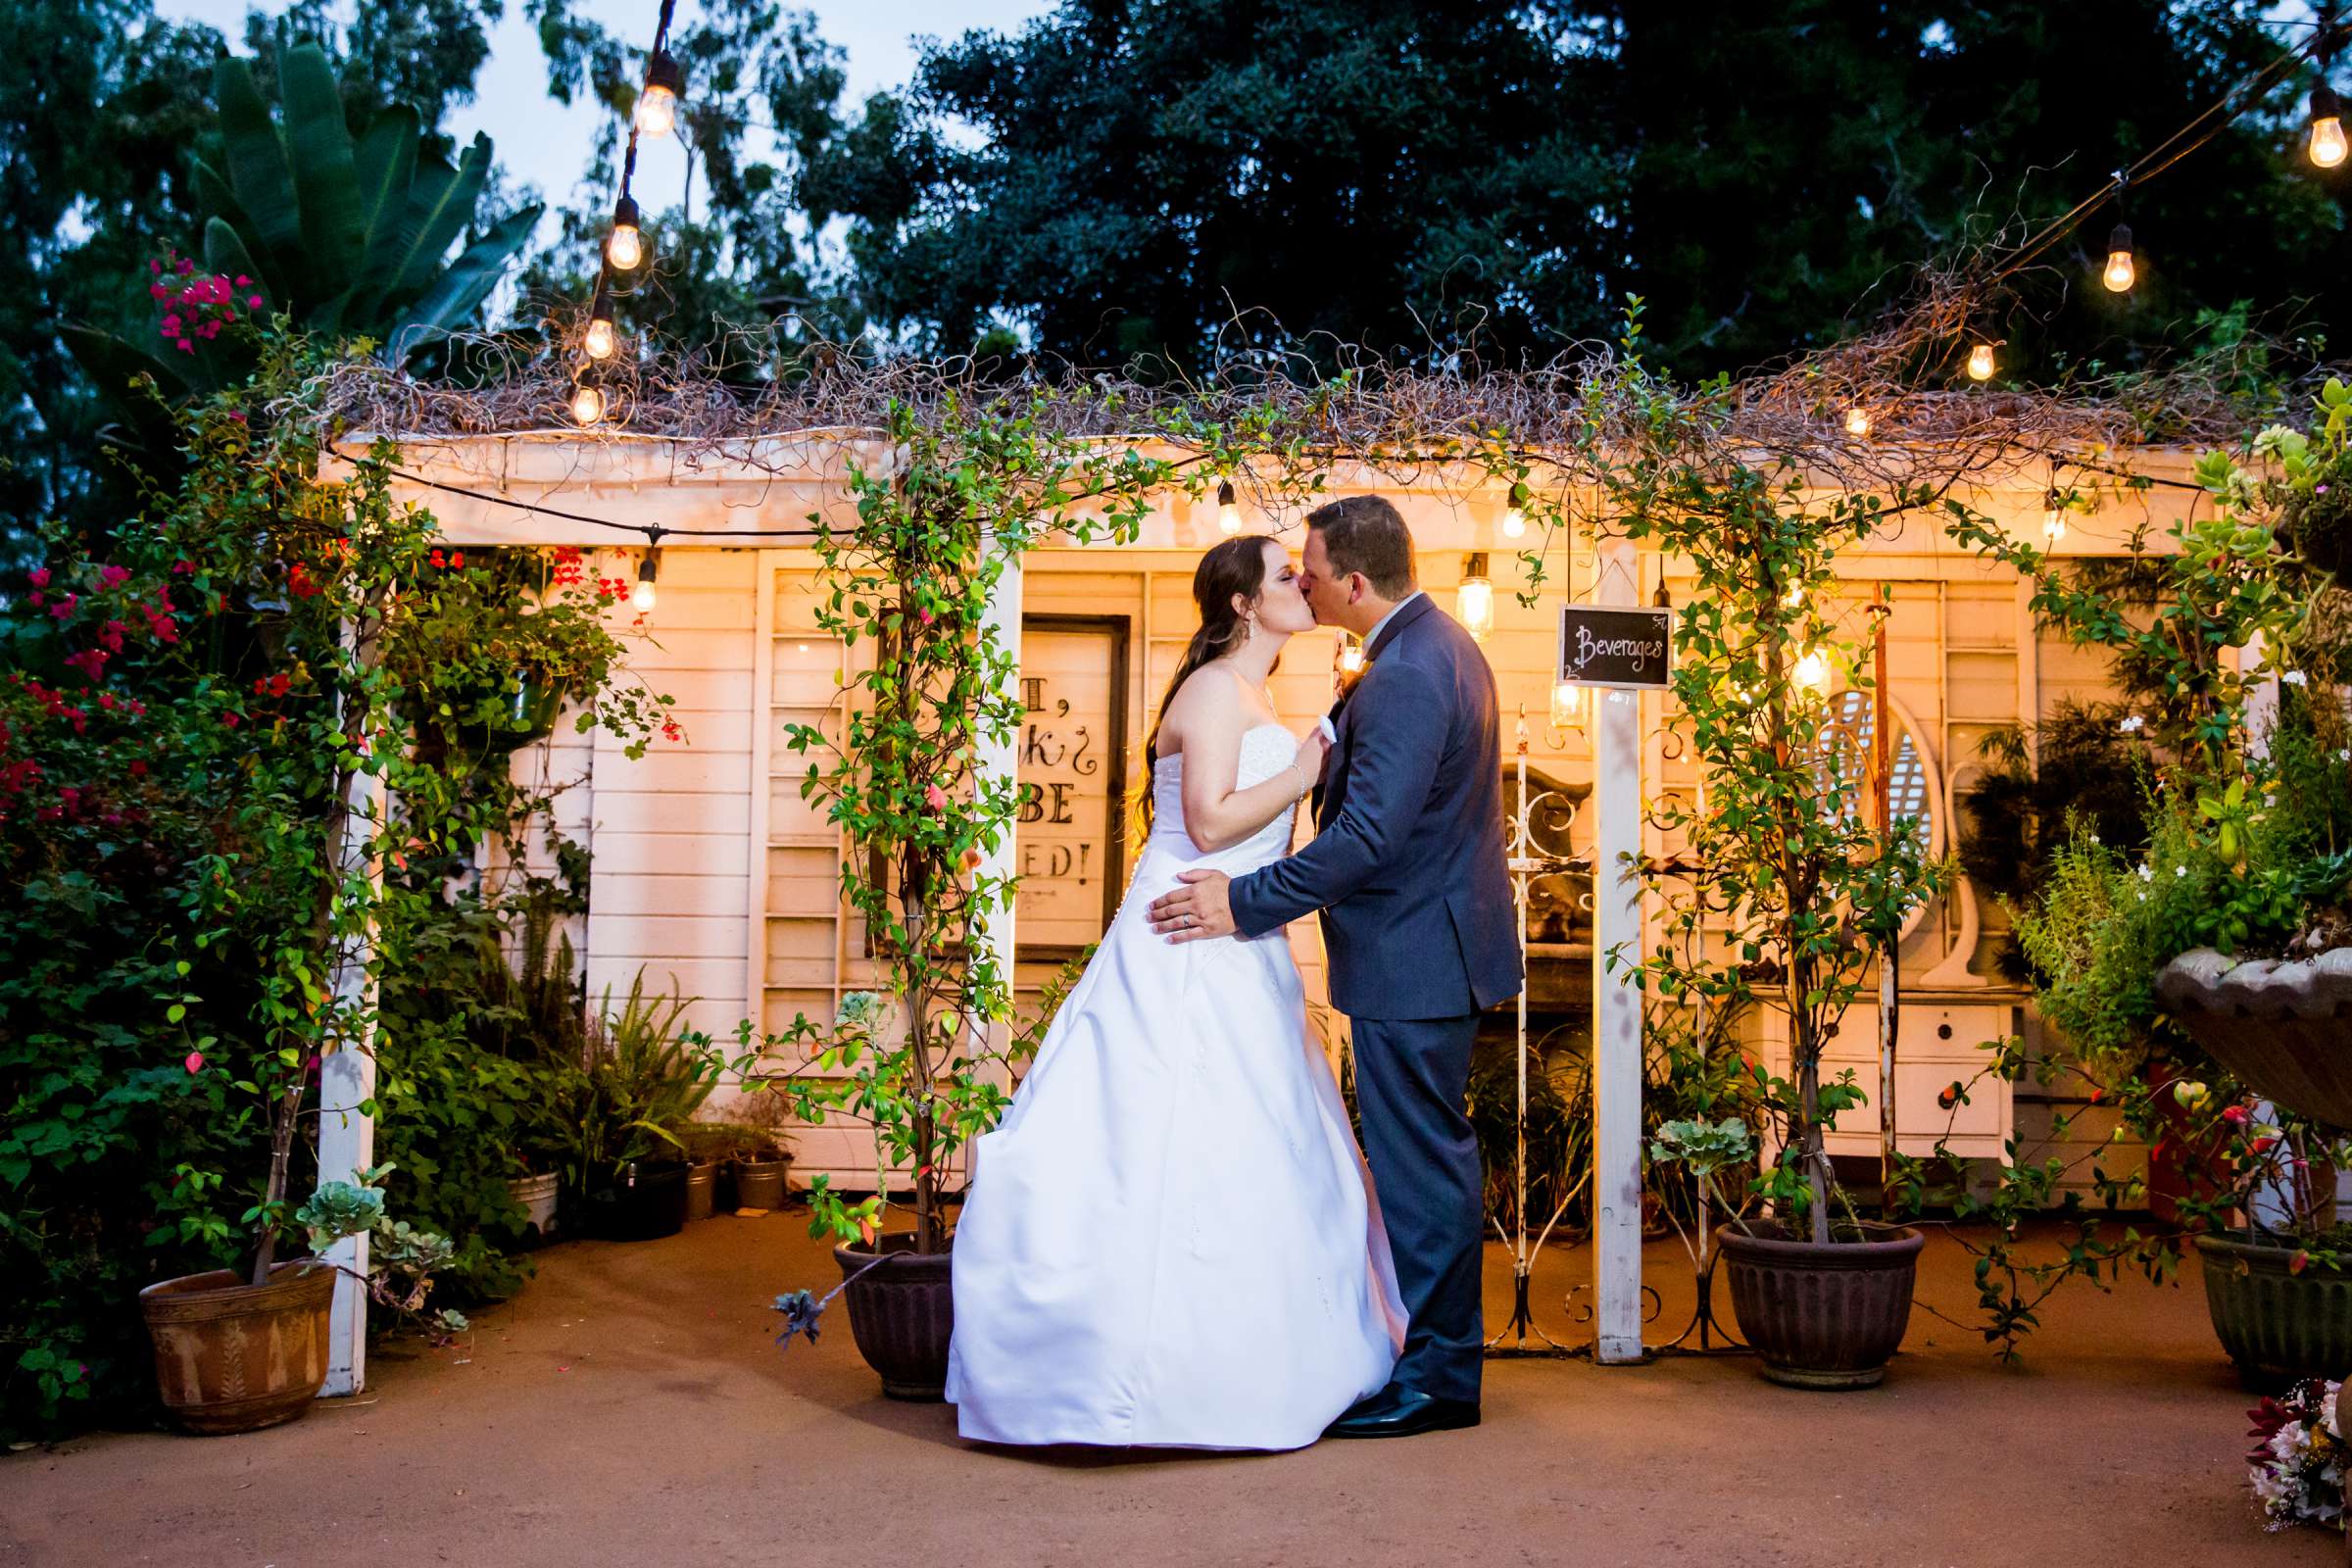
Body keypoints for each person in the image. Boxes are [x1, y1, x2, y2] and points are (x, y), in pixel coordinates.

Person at [945, 533, 1405, 1450]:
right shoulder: (1211, 690)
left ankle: (1249, 1355)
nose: (1302, 583)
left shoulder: (1250, 693)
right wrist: (1305, 772)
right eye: (1285, 576)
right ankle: (1136, 1377)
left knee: (1250, 1143)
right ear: (1242, 603)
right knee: (1159, 1138)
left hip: (1240, 936)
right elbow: (1206, 820)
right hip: (1188, 935)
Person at [1146, 494, 1520, 1440]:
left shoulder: (1406, 673)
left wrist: (1244, 902)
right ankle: (1433, 1361)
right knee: (1423, 1163)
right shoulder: (1437, 652)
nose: (1302, 581)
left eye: (1308, 569)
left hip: (1414, 958)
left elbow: (1366, 839)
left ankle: (1439, 1380)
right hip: (1429, 951)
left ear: (1354, 582)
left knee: (1422, 1171)